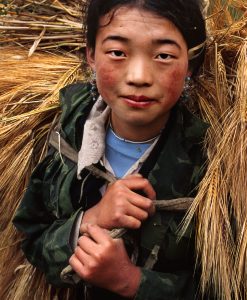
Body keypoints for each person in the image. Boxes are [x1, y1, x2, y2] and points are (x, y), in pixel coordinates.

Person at [13, 0, 208, 299]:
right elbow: (30, 239)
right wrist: (90, 220)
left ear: (190, 65)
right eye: (118, 52)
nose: (139, 76)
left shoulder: (213, 161)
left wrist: (130, 281)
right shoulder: (63, 133)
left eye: (164, 55)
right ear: (91, 55)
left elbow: (238, 284)